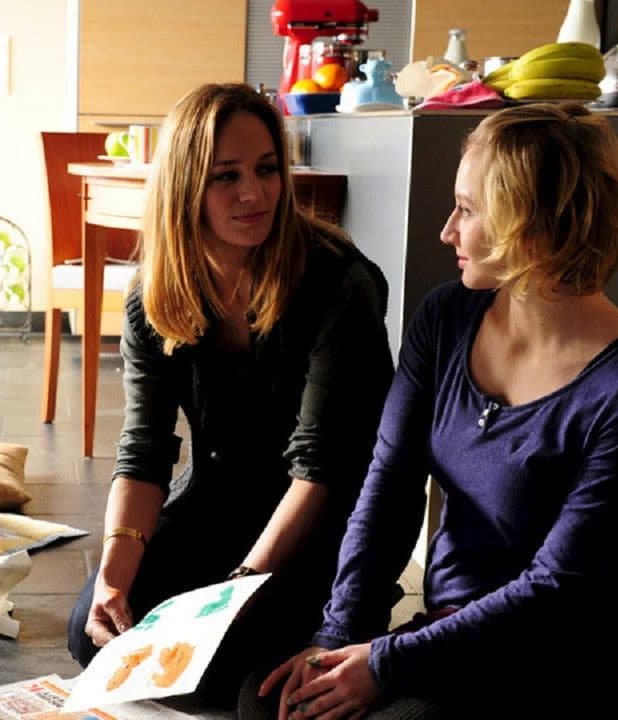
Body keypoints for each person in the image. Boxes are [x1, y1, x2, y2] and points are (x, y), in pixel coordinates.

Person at [254, 103, 618, 719]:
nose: (447, 231)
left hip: (563, 653)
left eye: (467, 209)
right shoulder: (446, 317)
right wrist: (337, 637)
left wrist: (385, 662)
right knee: (270, 701)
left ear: (529, 224)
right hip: (449, 632)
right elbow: (389, 482)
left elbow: (556, 584)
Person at [65, 83, 396, 706]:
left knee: (238, 681)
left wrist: (236, 592)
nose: (255, 193)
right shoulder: (153, 295)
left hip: (319, 520)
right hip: (217, 502)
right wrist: (113, 571)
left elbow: (321, 470)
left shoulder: (338, 285)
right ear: (185, 187)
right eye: (227, 176)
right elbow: (143, 449)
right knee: (94, 631)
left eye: (267, 169)